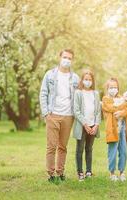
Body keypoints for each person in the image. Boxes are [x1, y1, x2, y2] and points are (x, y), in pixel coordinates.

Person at [39, 49, 79, 182]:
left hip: (68, 115)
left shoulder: (75, 78)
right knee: (51, 146)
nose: (67, 60)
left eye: (70, 58)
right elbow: (43, 93)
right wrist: (46, 113)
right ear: (60, 57)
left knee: (63, 146)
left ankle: (60, 172)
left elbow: (79, 97)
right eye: (65, 57)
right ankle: (51, 174)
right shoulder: (50, 75)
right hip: (53, 115)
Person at [102, 78, 127, 182]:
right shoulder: (106, 99)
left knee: (123, 152)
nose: (113, 89)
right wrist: (124, 104)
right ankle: (112, 173)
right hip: (112, 130)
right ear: (107, 88)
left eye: (115, 87)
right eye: (111, 87)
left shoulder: (121, 98)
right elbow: (111, 108)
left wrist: (121, 113)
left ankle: (122, 172)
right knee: (112, 152)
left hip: (123, 129)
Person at [73, 69, 101, 181]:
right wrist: (85, 124)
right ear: (82, 80)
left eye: (90, 79)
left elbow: (98, 111)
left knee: (89, 148)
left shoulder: (96, 93)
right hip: (82, 126)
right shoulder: (78, 93)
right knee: (80, 149)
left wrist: (96, 125)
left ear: (92, 81)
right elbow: (76, 111)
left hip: (93, 125)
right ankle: (80, 173)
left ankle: (88, 171)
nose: (88, 81)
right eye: (86, 79)